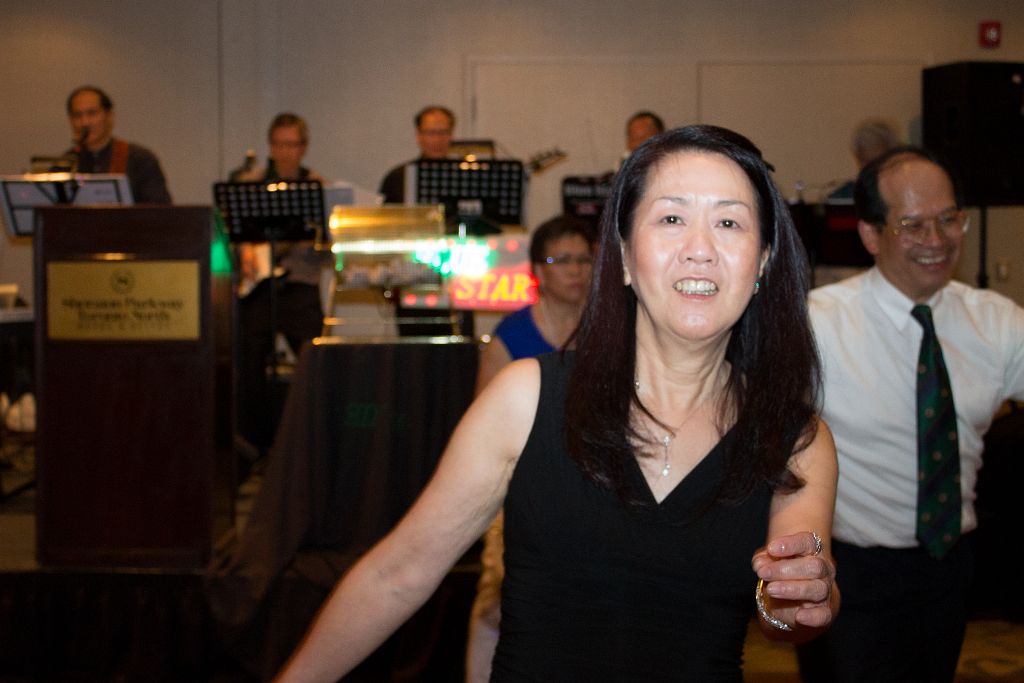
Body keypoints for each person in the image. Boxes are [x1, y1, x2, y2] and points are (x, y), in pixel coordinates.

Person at [274, 124, 839, 682]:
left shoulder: (797, 439)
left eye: (729, 223)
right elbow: (398, 575)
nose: (700, 249)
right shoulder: (526, 397)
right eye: (671, 219)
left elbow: (790, 614)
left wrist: (799, 600)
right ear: (623, 255)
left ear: (763, 261)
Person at [798, 146, 1024, 682]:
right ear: (871, 234)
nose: (937, 240)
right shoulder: (819, 325)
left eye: (948, 219)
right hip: (851, 574)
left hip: (948, 569)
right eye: (914, 225)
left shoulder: (994, 321)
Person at [465, 214, 595, 682]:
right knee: (498, 600)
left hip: (591, 489)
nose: (576, 270)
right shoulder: (512, 336)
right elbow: (482, 428)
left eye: (584, 259)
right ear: (538, 270)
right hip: (519, 488)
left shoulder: (608, 332)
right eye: (563, 260)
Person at [233, 113, 330, 454]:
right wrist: (246, 251)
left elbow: (329, 250)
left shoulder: (317, 186)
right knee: (246, 362)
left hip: (299, 285)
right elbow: (236, 232)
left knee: (315, 360)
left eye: (292, 145)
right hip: (259, 287)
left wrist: (313, 242)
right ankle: (253, 443)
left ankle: (308, 439)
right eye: (278, 144)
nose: (285, 152)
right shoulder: (251, 182)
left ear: (303, 147)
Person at [65, 85, 172, 204]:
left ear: (109, 116)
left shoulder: (139, 159)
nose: (84, 122)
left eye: (92, 113)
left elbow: (160, 209)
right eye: (77, 115)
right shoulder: (66, 162)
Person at [378, 105, 455, 203]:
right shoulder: (397, 178)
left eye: (443, 132)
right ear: (419, 136)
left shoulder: (464, 174)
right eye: (431, 132)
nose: (437, 139)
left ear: (451, 135)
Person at [827, 118, 900, 201]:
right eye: (864, 161)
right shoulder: (842, 197)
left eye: (876, 161)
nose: (870, 169)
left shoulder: (904, 193)